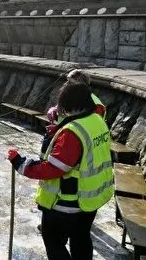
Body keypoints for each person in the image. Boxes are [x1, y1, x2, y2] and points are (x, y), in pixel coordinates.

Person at [7, 83, 114, 260]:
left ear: (69, 106)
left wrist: (20, 163)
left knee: (54, 241)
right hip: (91, 201)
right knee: (81, 238)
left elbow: (54, 168)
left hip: (67, 204)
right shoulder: (97, 121)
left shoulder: (72, 133)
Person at [41, 69, 106, 159]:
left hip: (77, 144)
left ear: (80, 84)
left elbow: (89, 129)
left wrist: (62, 130)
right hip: (62, 137)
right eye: (67, 80)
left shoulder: (95, 105)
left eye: (70, 82)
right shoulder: (72, 97)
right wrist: (54, 109)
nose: (66, 84)